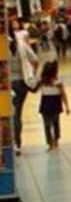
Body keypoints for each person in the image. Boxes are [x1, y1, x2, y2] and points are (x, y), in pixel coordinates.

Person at [9, 26, 38, 156]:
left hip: (6, 84)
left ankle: (7, 142)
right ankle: (17, 144)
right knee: (17, 114)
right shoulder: (21, 44)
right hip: (21, 83)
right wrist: (31, 74)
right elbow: (35, 60)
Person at [37, 61, 69, 151]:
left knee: (47, 125)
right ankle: (55, 139)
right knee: (55, 123)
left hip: (46, 104)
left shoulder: (43, 82)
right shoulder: (57, 82)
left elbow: (34, 89)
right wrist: (67, 106)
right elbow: (63, 94)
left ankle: (50, 142)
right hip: (55, 104)